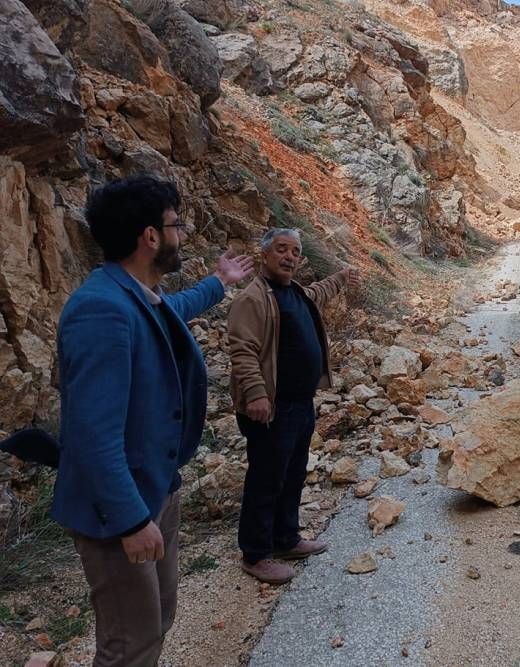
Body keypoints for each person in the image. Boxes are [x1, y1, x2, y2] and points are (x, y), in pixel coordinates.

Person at [52, 175, 254, 666]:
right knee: (130, 644)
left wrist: (219, 282)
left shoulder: (136, 294)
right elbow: (93, 435)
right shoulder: (100, 310)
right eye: (176, 225)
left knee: (157, 618)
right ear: (150, 236)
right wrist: (131, 520)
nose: (182, 235)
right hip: (120, 510)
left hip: (155, 490)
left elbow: (175, 308)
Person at [228, 228, 359, 584]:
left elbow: (319, 293)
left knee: (293, 473)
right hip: (271, 407)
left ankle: (285, 538)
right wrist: (256, 394)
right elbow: (242, 350)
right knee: (266, 479)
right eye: (281, 249)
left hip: (300, 403)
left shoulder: (295, 292)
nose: (289, 257)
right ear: (265, 254)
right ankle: (255, 554)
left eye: (295, 252)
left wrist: (340, 278)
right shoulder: (253, 298)